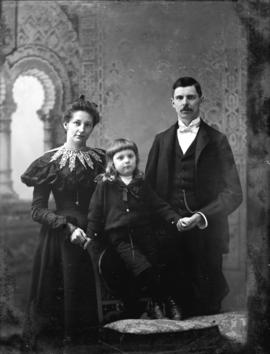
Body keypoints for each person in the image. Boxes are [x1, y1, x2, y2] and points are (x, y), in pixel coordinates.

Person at [145, 77, 243, 317]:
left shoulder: (217, 141)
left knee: (207, 308)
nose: (185, 103)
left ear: (201, 100)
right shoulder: (161, 140)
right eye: (180, 98)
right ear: (172, 102)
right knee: (175, 312)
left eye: (191, 97)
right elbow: (148, 193)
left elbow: (233, 192)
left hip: (206, 234)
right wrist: (169, 218)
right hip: (169, 234)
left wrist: (201, 216)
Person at [20, 95, 105, 350]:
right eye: (77, 123)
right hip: (59, 236)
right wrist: (66, 227)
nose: (82, 129)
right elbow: (37, 210)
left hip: (93, 231)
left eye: (87, 125)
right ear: (66, 124)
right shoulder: (48, 161)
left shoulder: (101, 159)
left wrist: (92, 230)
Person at [86, 138, 182, 320]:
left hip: (145, 235)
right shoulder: (105, 185)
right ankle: (166, 300)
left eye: (130, 156)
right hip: (121, 237)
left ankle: (154, 304)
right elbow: (94, 212)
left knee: (156, 264)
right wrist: (90, 236)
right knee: (142, 267)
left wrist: (175, 219)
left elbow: (159, 205)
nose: (126, 160)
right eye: (120, 157)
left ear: (136, 159)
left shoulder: (142, 184)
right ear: (112, 163)